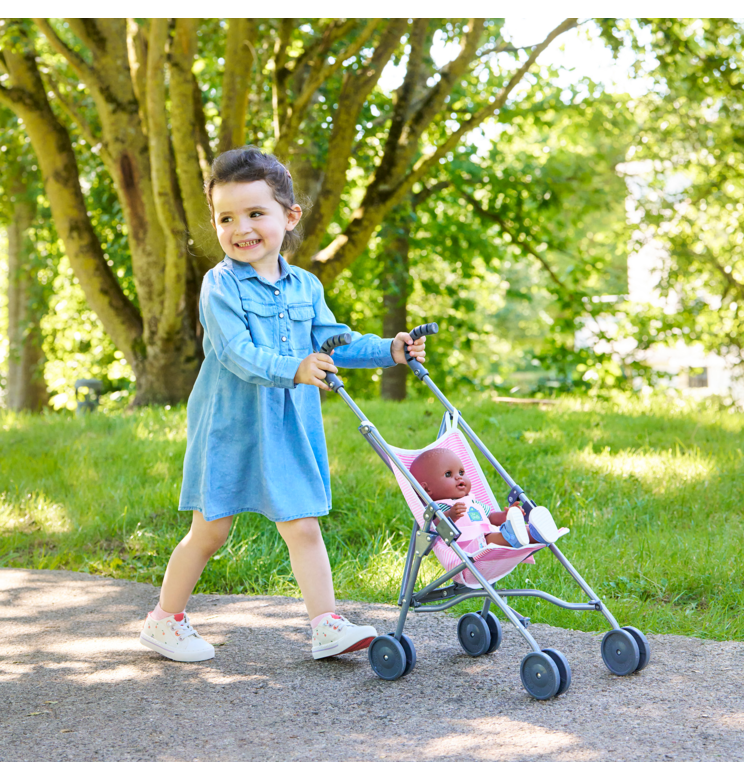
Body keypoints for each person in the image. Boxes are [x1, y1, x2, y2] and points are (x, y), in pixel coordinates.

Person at [139, 146, 426, 663]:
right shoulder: (219, 284)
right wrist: (292, 368)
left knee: (302, 522)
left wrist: (389, 349)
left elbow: (333, 340)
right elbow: (232, 351)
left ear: (288, 216)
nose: (241, 228)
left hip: (287, 423)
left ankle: (326, 625)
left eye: (255, 214)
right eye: (226, 218)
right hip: (229, 424)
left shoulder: (306, 286)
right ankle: (164, 621)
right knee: (210, 530)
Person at [409, 448, 563, 554]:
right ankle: (515, 533)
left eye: (461, 472)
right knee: (496, 538)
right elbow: (436, 527)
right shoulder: (439, 507)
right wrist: (450, 514)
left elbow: (490, 517)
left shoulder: (472, 501)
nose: (459, 477)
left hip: (490, 534)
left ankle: (537, 533)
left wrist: (505, 515)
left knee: (502, 533)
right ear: (427, 490)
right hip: (472, 548)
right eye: (448, 474)